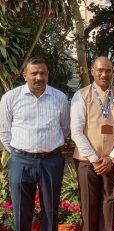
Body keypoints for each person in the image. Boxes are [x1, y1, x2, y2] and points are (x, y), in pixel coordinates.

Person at [0, 57, 70, 230]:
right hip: (21, 162)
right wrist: (19, 152)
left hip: (51, 161)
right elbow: (4, 131)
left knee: (51, 210)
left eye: (43, 73)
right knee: (22, 211)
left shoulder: (60, 98)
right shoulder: (11, 98)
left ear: (48, 75)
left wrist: (49, 147)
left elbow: (65, 128)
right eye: (34, 73)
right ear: (25, 75)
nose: (39, 77)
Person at [70, 56, 114, 231]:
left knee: (108, 201)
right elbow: (76, 131)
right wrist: (94, 159)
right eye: (100, 70)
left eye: (108, 70)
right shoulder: (81, 96)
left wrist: (111, 158)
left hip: (111, 160)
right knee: (89, 203)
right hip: (86, 160)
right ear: (92, 71)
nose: (104, 74)